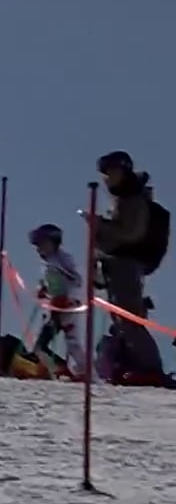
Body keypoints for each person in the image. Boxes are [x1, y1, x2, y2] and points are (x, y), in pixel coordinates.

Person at [91, 151, 167, 380]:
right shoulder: (124, 199)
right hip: (118, 265)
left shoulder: (132, 199)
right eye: (105, 174)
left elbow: (129, 233)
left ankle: (150, 369)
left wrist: (99, 225)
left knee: (129, 318)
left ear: (123, 171)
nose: (107, 178)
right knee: (122, 320)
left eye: (111, 172)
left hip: (126, 265)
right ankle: (133, 365)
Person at [28, 222, 85, 379]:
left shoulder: (62, 260)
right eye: (37, 245)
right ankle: (75, 371)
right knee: (71, 341)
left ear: (54, 243)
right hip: (56, 308)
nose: (39, 249)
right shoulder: (48, 263)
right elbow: (51, 282)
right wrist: (43, 290)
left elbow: (76, 280)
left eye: (43, 244)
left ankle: (68, 370)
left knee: (43, 345)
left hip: (65, 307)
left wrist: (71, 299)